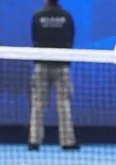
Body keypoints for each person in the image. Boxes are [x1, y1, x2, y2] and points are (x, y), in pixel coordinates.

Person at [28, 0, 79, 151]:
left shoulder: (38, 16)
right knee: (64, 104)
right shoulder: (66, 16)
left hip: (41, 65)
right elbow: (70, 38)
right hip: (62, 65)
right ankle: (67, 142)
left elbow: (35, 38)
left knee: (38, 105)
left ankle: (34, 141)